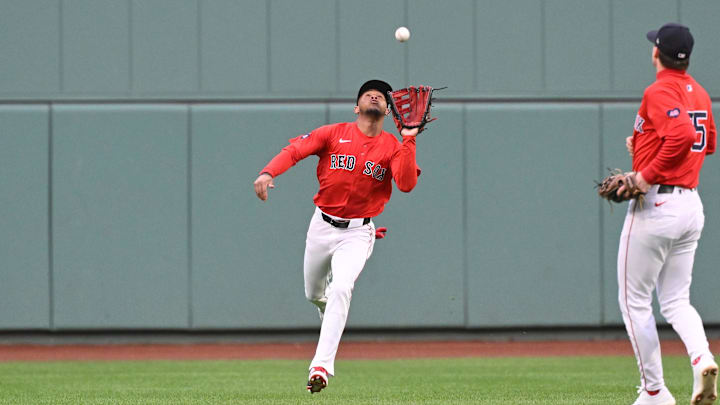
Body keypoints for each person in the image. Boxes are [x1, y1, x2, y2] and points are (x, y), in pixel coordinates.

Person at [253, 79, 422, 393]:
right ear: (356, 107)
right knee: (315, 294)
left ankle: (320, 366)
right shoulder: (333, 133)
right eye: (367, 93)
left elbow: (407, 184)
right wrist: (268, 172)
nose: (375, 95)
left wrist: (409, 140)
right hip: (322, 226)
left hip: (358, 233)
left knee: (342, 286)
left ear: (388, 110)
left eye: (382, 96)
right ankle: (326, 307)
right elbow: (295, 151)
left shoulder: (393, 146)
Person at [617, 23, 717, 405]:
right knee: (676, 299)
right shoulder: (701, 93)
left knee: (634, 301)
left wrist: (643, 174)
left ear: (656, 53)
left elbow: (682, 138)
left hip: (657, 205)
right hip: (690, 205)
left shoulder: (659, 89)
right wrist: (644, 142)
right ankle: (702, 357)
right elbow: (706, 144)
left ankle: (655, 392)